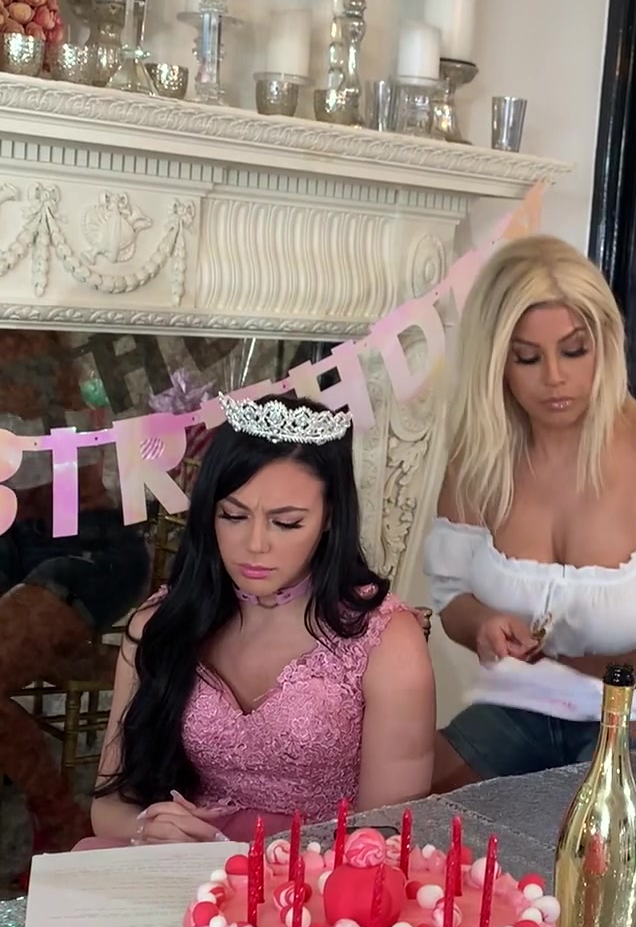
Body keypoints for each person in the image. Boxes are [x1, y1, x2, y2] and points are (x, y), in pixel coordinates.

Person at [424, 235, 636, 789]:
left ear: (604, 345)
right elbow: (453, 602)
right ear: (496, 362)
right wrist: (482, 625)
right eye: (528, 357)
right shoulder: (479, 458)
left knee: (605, 835)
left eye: (574, 351)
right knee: (409, 798)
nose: (554, 376)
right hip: (526, 705)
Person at [90, 392, 435, 845]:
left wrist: (255, 871)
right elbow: (108, 807)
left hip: (320, 873)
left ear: (330, 517)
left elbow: (384, 835)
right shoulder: (161, 623)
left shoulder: (387, 640)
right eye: (233, 516)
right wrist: (148, 830)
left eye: (286, 523)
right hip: (182, 865)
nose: (255, 545)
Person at [0, 331, 150, 873]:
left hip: (89, 544)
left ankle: (62, 825)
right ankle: (91, 659)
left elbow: (52, 491)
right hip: (17, 544)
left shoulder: (72, 404)